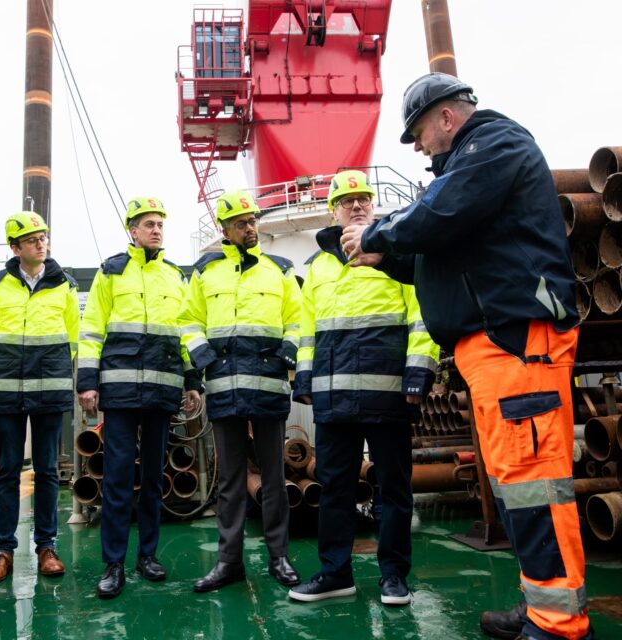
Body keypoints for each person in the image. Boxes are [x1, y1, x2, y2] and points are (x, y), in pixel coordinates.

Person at [342, 73, 590, 640]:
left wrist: (377, 233)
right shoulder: (467, 171)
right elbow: (437, 254)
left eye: (418, 134)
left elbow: (440, 214)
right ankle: (540, 605)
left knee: (532, 482)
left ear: (446, 118)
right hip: (494, 349)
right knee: (514, 484)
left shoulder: (494, 144)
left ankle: (558, 624)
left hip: (516, 344)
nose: (418, 147)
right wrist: (387, 257)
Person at [288, 171, 439, 606]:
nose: (357, 206)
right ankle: (335, 573)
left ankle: (393, 576)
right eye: (347, 200)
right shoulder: (318, 267)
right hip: (333, 398)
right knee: (335, 487)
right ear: (332, 210)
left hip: (388, 393)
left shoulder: (396, 253)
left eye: (364, 199)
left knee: (393, 488)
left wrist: (418, 373)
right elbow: (308, 330)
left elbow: (422, 316)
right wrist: (305, 380)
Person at [77, 197, 202, 599]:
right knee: (117, 478)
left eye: (160, 224)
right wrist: (87, 382)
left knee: (152, 478)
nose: (156, 230)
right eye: (148, 224)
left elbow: (185, 332)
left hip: (162, 390)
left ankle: (147, 555)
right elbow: (91, 330)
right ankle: (113, 563)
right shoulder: (111, 272)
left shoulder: (174, 276)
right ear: (132, 230)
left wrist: (192, 380)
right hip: (120, 392)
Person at [179, 189, 302, 593]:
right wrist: (204, 359)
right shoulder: (205, 273)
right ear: (225, 230)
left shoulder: (280, 270)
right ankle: (228, 562)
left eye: (252, 221)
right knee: (230, 481)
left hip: (267, 386)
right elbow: (189, 321)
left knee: (274, 477)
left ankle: (279, 557)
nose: (250, 228)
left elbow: (299, 320)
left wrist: (286, 355)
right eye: (241, 223)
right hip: (224, 388)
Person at [0, 211, 79, 584]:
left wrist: (54, 372)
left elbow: (72, 339)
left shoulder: (64, 285)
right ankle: (4, 551)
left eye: (43, 238)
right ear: (15, 247)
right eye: (32, 239)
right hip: (6, 392)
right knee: (7, 470)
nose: (41, 243)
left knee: (47, 470)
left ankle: (46, 547)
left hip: (49, 391)